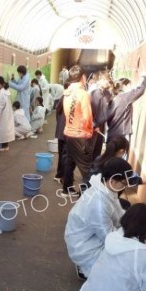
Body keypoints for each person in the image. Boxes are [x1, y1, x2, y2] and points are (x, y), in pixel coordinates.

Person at [64, 157, 131, 279]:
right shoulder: (98, 203)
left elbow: (117, 210)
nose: (124, 187)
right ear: (113, 180)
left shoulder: (105, 186)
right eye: (124, 183)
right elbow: (108, 237)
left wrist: (126, 223)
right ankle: (86, 267)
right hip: (83, 245)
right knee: (115, 269)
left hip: (86, 235)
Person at [93, 136, 146, 209]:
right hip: (103, 201)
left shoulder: (99, 159)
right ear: (121, 151)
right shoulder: (117, 167)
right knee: (125, 203)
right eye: (125, 152)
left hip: (92, 196)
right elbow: (133, 180)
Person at [60, 65, 94, 198]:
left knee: (70, 162)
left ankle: (66, 190)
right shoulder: (83, 94)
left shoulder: (67, 93)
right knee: (86, 168)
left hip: (69, 133)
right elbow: (87, 117)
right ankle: (86, 197)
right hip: (80, 135)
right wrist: (90, 132)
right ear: (83, 77)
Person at [106, 75, 146, 142]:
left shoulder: (112, 98)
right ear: (125, 87)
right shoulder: (125, 97)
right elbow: (140, 90)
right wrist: (144, 77)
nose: (131, 88)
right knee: (120, 152)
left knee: (110, 152)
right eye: (130, 86)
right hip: (122, 135)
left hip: (111, 134)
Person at [89, 76, 113, 161]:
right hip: (94, 125)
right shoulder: (95, 93)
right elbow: (91, 110)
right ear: (102, 79)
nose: (108, 83)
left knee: (98, 149)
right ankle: (89, 170)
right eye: (107, 80)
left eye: (109, 82)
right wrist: (94, 125)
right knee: (91, 149)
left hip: (102, 124)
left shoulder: (107, 93)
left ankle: (94, 169)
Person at [0, 76, 15, 151]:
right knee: (5, 131)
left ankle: (1, 147)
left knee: (1, 131)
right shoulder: (6, 91)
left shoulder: (2, 93)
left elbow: (0, 105)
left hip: (2, 115)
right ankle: (5, 146)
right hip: (7, 114)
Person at [53, 81, 69, 182]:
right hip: (67, 132)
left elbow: (57, 116)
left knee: (62, 154)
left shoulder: (62, 98)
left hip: (61, 131)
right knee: (66, 156)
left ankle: (59, 175)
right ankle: (62, 176)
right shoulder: (69, 99)